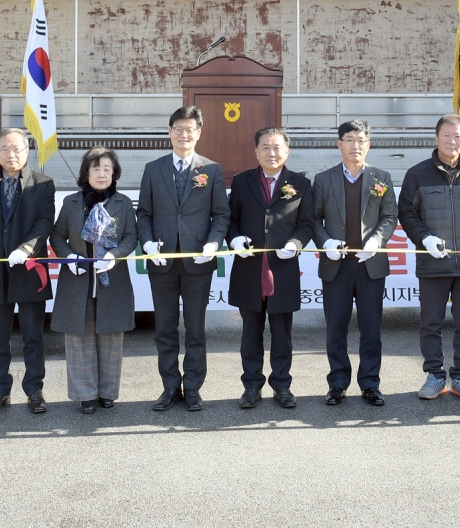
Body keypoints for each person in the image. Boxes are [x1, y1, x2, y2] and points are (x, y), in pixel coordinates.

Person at [136, 106, 229, 412]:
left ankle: (192, 387)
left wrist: (214, 243)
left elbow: (221, 215)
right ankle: (169, 386)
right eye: (179, 129)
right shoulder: (153, 169)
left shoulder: (211, 170)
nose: (184, 134)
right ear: (169, 132)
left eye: (190, 130)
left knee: (195, 327)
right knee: (164, 327)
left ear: (198, 133)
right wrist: (147, 243)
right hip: (161, 261)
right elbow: (144, 214)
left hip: (198, 262)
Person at [397, 113, 460, 403]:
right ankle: (435, 375)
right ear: (436, 138)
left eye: (459, 137)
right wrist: (424, 238)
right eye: (447, 136)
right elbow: (407, 213)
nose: (453, 141)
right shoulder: (417, 174)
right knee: (431, 322)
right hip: (433, 263)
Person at [0, 128, 56, 415]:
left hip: (28, 271)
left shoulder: (43, 184)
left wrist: (26, 249)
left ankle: (34, 390)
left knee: (32, 336)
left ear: (27, 151)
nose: (11, 154)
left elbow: (44, 224)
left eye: (17, 148)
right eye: (5, 148)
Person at [309, 119, 398, 407]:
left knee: (371, 327)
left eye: (361, 139)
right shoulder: (323, 179)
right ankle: (337, 383)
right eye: (349, 139)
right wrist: (326, 243)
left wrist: (376, 242)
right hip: (337, 264)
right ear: (339, 144)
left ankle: (370, 383)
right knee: (336, 326)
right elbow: (313, 219)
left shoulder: (381, 178)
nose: (355, 145)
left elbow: (389, 217)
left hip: (370, 264)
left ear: (368, 144)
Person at [227, 127, 315, 409]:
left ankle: (282, 386)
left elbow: (306, 223)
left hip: (283, 270)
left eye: (277, 147)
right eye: (265, 147)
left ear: (287, 151)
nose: (271, 152)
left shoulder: (300, 183)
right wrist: (234, 238)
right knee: (250, 334)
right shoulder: (242, 182)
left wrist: (295, 243)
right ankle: (251, 386)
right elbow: (230, 220)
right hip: (249, 270)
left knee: (282, 334)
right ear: (256, 151)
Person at [50, 147, 139, 413]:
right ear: (86, 173)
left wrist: (114, 254)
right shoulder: (71, 203)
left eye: (107, 169)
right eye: (96, 168)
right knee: (79, 339)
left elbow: (131, 238)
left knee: (112, 337)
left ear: (115, 174)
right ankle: (85, 394)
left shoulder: (123, 203)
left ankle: (107, 392)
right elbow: (56, 236)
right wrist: (69, 258)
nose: (102, 174)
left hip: (112, 281)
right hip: (78, 282)